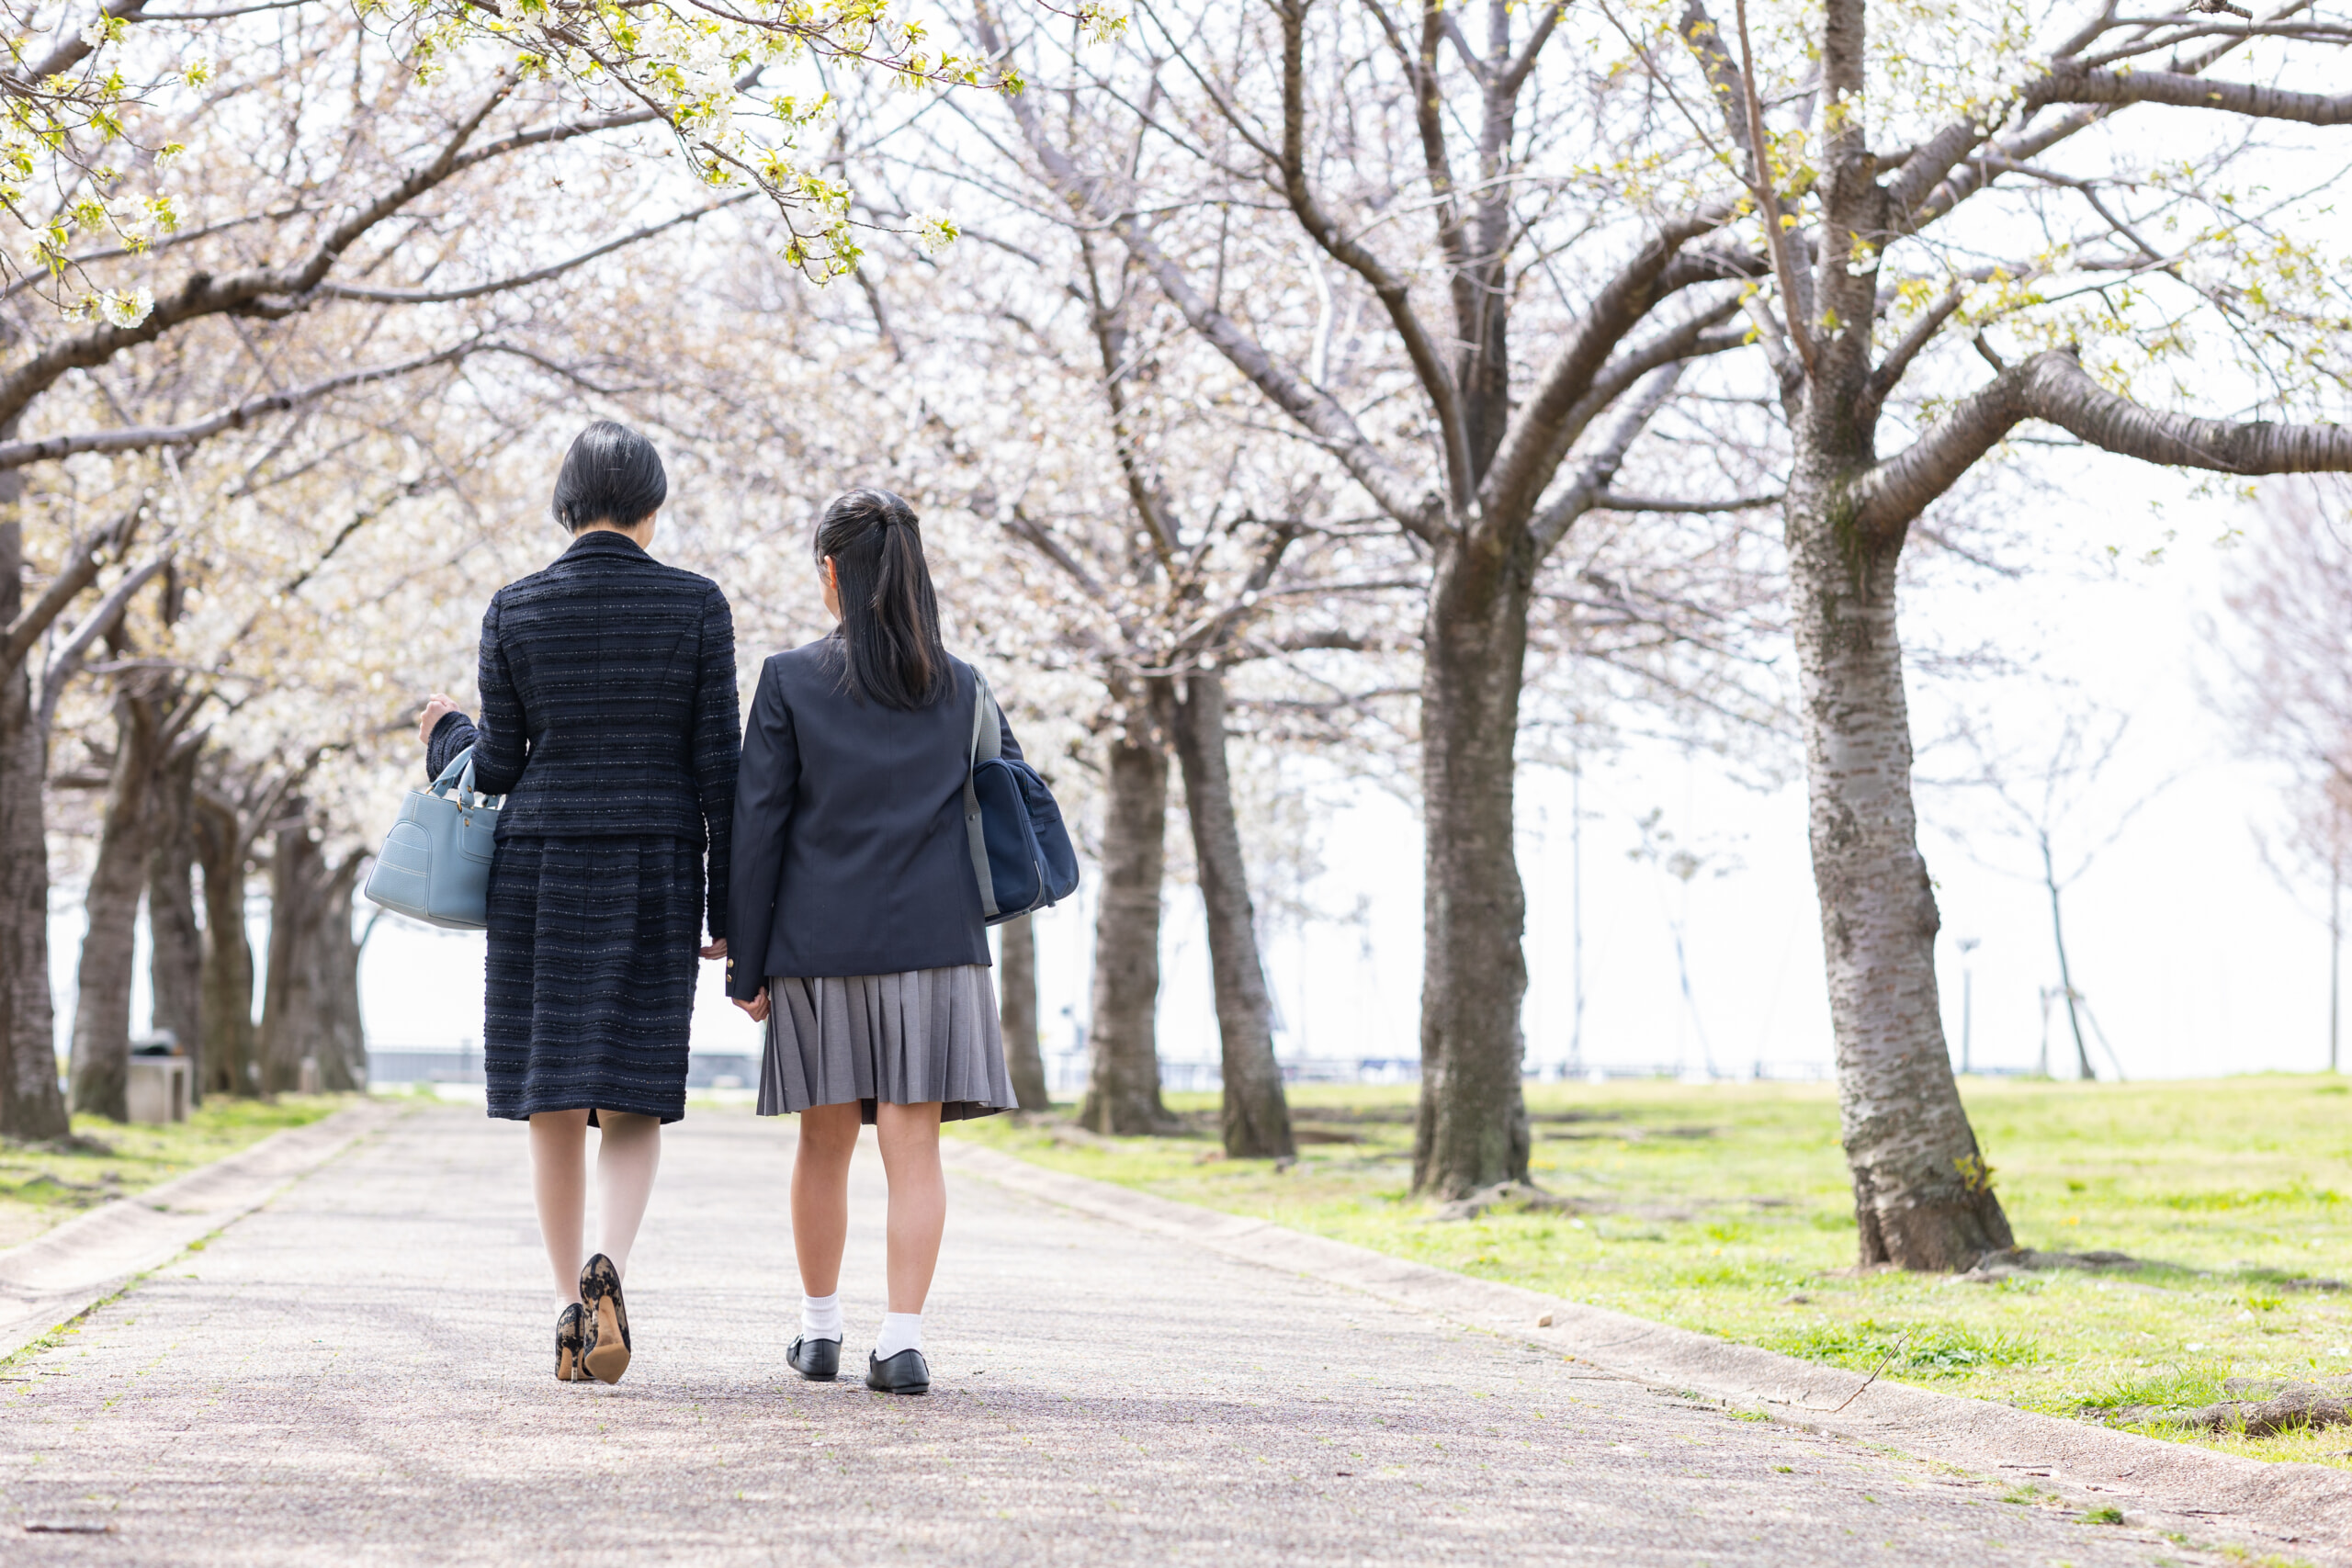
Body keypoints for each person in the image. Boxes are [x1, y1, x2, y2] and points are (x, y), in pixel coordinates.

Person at [416, 421, 738, 1386]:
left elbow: (501, 763)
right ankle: (614, 1268)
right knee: (631, 1095)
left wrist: (447, 736)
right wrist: (729, 909)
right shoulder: (696, 606)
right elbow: (718, 771)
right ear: (653, 502)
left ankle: (569, 1305)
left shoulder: (516, 608)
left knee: (551, 1097)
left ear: (565, 502)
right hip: (655, 861)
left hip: (543, 868)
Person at [728, 487, 1019, 1396]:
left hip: (819, 944)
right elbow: (1002, 794)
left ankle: (819, 1332)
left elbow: (757, 829)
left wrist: (745, 959)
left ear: (830, 574)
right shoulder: (964, 685)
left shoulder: (788, 679)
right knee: (914, 1148)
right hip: (939, 946)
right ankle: (901, 1341)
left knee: (823, 1144)